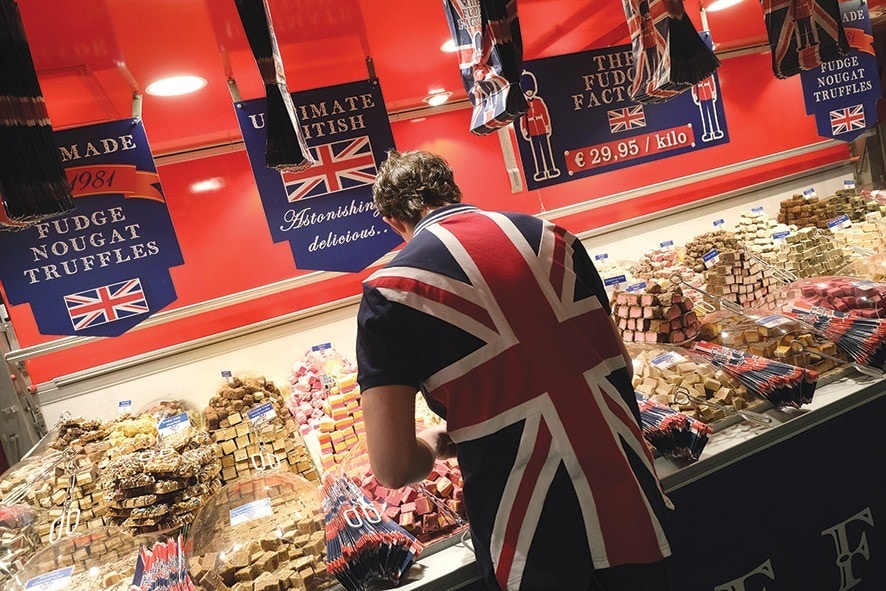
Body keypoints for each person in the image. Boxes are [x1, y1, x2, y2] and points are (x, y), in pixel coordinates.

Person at [356, 149, 673, 591]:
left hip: (531, 535)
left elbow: (393, 468)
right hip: (629, 494)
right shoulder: (553, 236)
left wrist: (434, 440)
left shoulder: (388, 293)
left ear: (393, 224)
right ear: (455, 189)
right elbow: (619, 361)